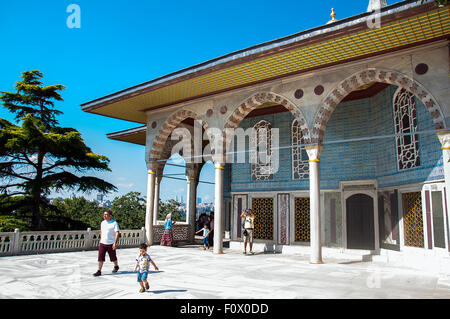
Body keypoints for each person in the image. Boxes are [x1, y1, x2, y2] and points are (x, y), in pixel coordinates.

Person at [93, 210, 120, 276]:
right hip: (103, 243)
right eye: (104, 214)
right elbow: (101, 231)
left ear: (110, 215)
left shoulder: (114, 223)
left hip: (110, 243)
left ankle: (116, 266)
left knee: (113, 257)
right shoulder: (102, 223)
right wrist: (101, 239)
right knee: (100, 257)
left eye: (106, 215)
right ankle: (99, 270)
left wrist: (114, 243)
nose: (104, 216)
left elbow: (117, 233)